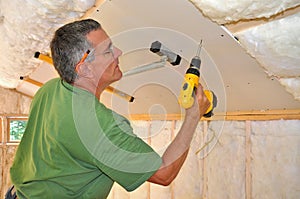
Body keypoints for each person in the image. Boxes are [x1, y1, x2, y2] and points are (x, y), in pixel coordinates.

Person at [9, 19, 210, 199]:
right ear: (84, 68)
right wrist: (193, 115)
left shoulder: (51, 88)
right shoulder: (100, 127)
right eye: (108, 50)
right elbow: (164, 173)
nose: (119, 52)